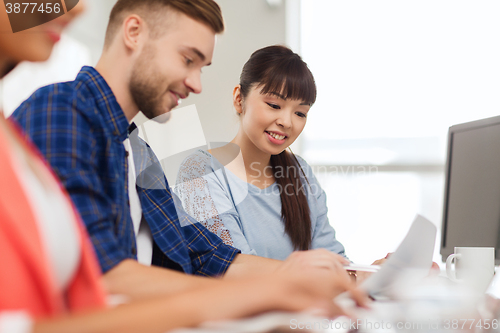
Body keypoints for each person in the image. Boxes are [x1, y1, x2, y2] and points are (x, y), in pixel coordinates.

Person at [0, 2, 367, 332]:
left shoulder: (138, 151)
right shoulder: (63, 112)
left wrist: (322, 279)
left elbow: (207, 254)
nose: (196, 84)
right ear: (134, 32)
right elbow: (102, 276)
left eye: (202, 67)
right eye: (188, 60)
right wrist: (266, 293)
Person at [174, 45, 346, 260]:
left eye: (300, 113)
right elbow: (233, 265)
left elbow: (332, 258)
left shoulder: (300, 173)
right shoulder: (201, 171)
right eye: (274, 105)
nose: (286, 122)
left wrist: (367, 274)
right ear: (239, 99)